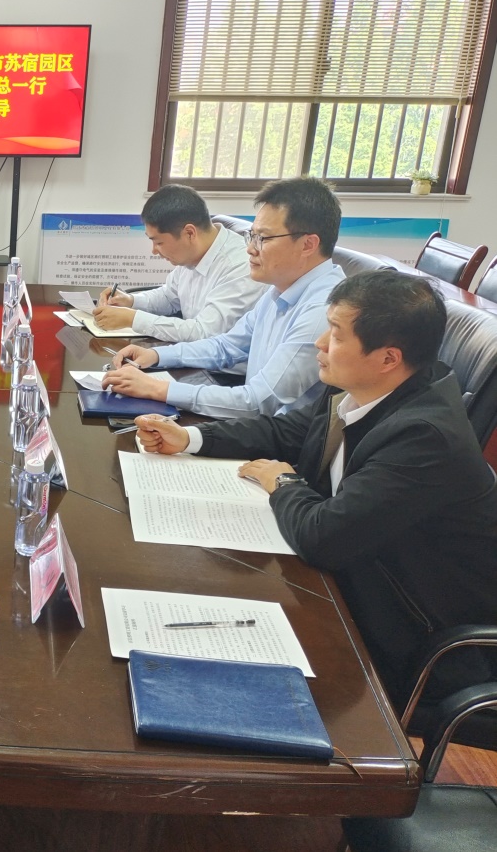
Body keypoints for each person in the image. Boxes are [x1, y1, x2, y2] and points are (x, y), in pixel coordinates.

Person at [135, 271, 497, 706]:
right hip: (346, 587)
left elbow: (323, 537)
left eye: (337, 335)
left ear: (388, 358)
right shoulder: (364, 390)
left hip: (411, 640)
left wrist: (282, 482)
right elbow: (283, 432)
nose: (320, 344)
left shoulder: (424, 436)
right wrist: (191, 438)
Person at [103, 176, 346, 418]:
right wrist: (157, 356)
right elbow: (226, 346)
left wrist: (158, 389)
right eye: (251, 236)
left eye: (263, 238)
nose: (250, 248)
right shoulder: (280, 289)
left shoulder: (322, 311)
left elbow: (257, 402)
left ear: (308, 245)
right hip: (249, 422)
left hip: (272, 434)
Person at [90, 183, 263, 342]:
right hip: (189, 354)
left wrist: (132, 319)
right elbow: (168, 296)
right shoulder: (191, 255)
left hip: (224, 365)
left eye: (159, 242)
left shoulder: (240, 266)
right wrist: (130, 300)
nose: (154, 251)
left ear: (189, 233)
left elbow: (204, 332)